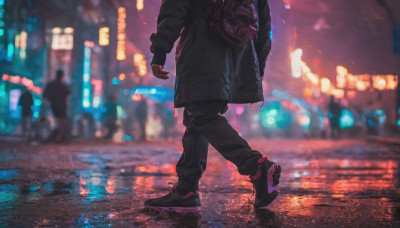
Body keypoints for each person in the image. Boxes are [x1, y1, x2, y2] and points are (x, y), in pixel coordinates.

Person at [145, 0, 281, 213]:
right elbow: (263, 24)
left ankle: (256, 166)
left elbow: (174, 8)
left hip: (202, 51)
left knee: (202, 116)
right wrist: (258, 65)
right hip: (237, 55)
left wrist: (160, 49)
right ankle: (186, 189)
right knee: (196, 118)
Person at [43, 69, 70, 142]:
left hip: (54, 106)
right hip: (61, 106)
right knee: (62, 121)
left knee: (60, 121)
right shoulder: (62, 85)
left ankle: (59, 136)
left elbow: (45, 95)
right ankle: (59, 136)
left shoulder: (51, 84)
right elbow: (67, 92)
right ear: (61, 76)